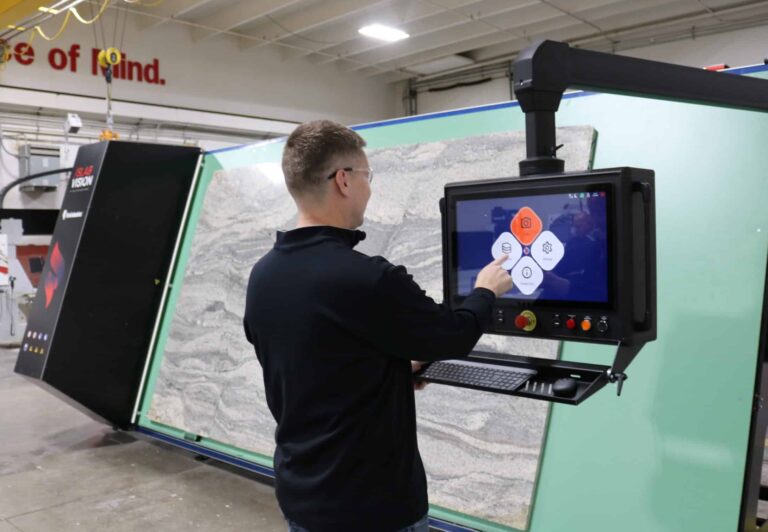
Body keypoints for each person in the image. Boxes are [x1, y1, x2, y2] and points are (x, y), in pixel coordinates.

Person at [243, 120, 512, 532]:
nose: (369, 189)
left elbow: (314, 363)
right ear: (344, 180)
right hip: (374, 509)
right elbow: (454, 335)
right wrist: (485, 291)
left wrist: (390, 373)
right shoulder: (368, 278)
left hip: (303, 498)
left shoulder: (264, 276)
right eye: (367, 176)